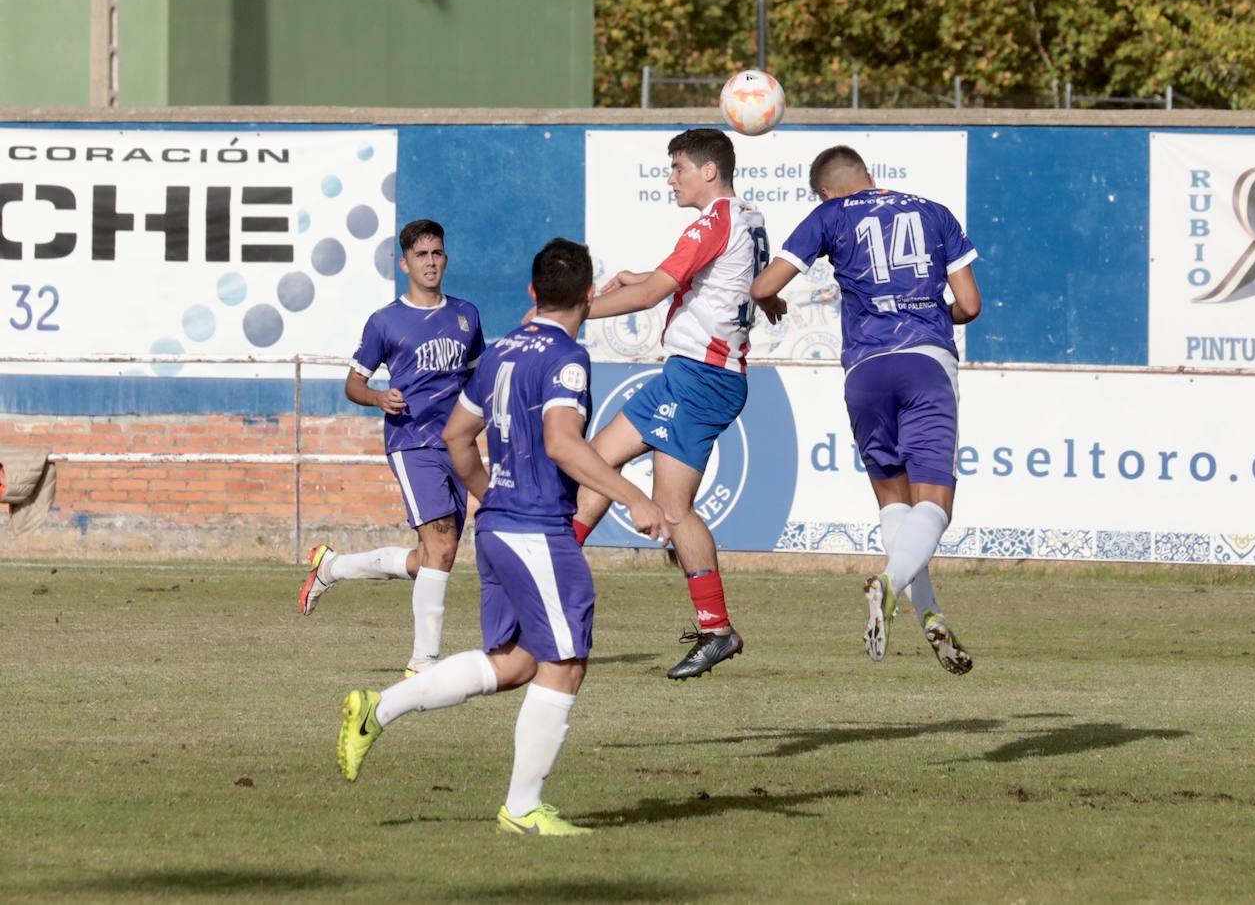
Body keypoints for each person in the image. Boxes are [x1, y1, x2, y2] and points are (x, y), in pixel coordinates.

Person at [336, 238, 672, 837]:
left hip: (496, 528)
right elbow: (562, 443)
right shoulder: (567, 359)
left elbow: (457, 436)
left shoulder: (499, 352)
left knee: (516, 663)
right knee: (566, 663)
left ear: (531, 293)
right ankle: (521, 809)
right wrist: (637, 498)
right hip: (538, 530)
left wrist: (487, 493)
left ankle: (376, 709)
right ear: (589, 296)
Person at [751, 145, 980, 675]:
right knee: (935, 505)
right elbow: (969, 305)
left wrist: (770, 303)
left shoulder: (828, 215)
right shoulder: (934, 211)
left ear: (827, 191)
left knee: (893, 504)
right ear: (871, 177)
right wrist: (928, 314)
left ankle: (929, 613)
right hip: (925, 363)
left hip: (865, 371)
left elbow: (764, 286)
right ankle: (886, 583)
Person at [570, 128, 786, 680]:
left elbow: (651, 296)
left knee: (672, 512)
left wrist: (566, 313)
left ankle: (716, 629)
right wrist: (642, 276)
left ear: (708, 171)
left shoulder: (714, 220)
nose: (671, 179)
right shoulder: (748, 216)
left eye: (678, 168)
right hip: (688, 374)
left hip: (703, 378)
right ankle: (553, 574)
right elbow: (708, 283)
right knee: (595, 461)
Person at [298, 219, 484, 678]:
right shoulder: (386, 321)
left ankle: (334, 568)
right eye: (421, 255)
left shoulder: (466, 315)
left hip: (456, 442)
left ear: (446, 258)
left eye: (437, 253)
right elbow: (353, 384)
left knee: (431, 558)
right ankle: (423, 663)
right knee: (440, 541)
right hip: (410, 440)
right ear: (405, 263)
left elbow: (479, 379)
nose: (431, 262)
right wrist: (380, 396)